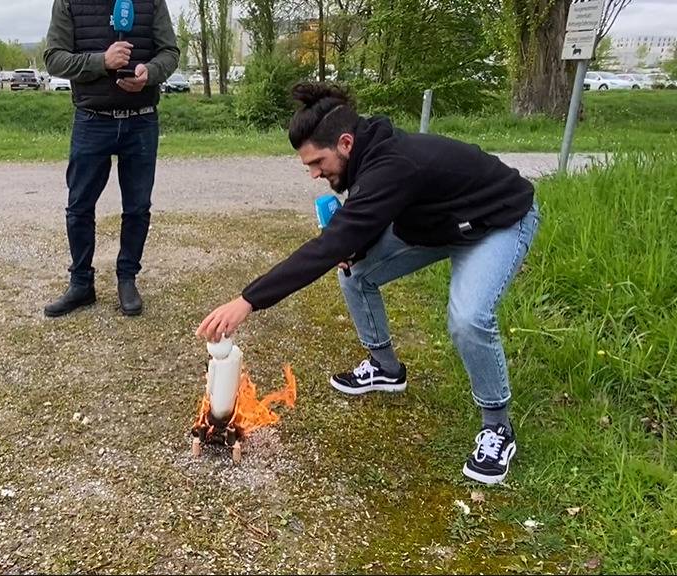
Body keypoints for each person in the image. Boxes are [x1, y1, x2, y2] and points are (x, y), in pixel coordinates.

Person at [196, 83, 540, 485]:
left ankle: (497, 427)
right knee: (355, 272)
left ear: (345, 142)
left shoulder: (392, 165)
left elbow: (330, 244)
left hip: (496, 220)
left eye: (318, 162)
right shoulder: (365, 157)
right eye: (307, 165)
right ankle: (386, 368)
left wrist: (247, 301)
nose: (313, 173)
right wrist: (356, 245)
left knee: (468, 318)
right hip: (435, 223)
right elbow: (368, 219)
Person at [42, 0, 180, 318]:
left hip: (141, 119)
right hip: (92, 119)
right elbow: (54, 58)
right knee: (79, 206)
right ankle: (81, 284)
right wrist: (101, 61)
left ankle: (127, 279)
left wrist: (150, 73)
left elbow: (169, 52)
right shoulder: (68, 2)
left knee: (137, 207)